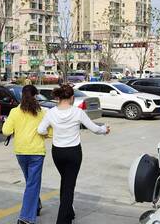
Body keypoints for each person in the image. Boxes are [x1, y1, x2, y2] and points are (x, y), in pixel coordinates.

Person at [37, 85, 110, 224]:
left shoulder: (51, 112)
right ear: (72, 98)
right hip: (73, 153)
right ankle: (63, 220)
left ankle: (69, 213)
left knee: (65, 182)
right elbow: (95, 129)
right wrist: (104, 129)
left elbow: (40, 130)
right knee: (69, 187)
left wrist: (49, 134)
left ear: (59, 97)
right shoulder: (78, 112)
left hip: (58, 152)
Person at [2, 85, 51, 224]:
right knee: (33, 184)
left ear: (22, 96)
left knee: (31, 182)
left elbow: (6, 131)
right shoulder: (41, 112)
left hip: (21, 152)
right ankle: (26, 218)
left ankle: (36, 205)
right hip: (36, 152)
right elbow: (50, 132)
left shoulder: (14, 112)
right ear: (35, 96)